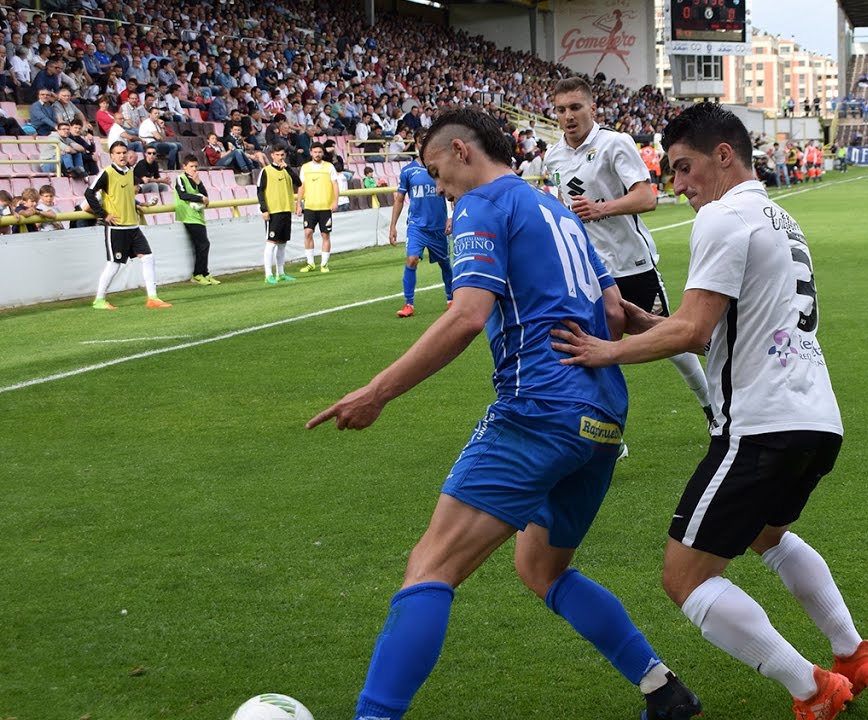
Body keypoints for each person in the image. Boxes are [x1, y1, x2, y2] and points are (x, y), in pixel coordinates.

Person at [306, 108, 702, 720]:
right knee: (540, 567)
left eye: (437, 174)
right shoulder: (558, 211)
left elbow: (466, 314)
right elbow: (618, 314)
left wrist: (377, 392)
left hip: (538, 408)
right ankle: (662, 691)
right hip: (602, 419)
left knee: (430, 565)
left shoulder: (482, 205)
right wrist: (682, 332)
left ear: (462, 152)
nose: (437, 190)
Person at [550, 103, 868, 720]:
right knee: (768, 537)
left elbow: (694, 333)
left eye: (682, 168)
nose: (677, 186)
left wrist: (608, 350)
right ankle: (852, 654)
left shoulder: (723, 217)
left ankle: (812, 689)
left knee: (684, 579)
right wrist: (646, 322)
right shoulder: (779, 216)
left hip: (759, 425)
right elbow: (712, 328)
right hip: (815, 418)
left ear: (723, 155)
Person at [544, 77, 714, 433]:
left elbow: (646, 198)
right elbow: (564, 208)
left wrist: (601, 208)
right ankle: (604, 432)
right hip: (589, 270)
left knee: (674, 342)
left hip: (631, 263)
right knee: (592, 350)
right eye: (561, 110)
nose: (568, 116)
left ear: (592, 108)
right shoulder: (553, 155)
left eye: (575, 107)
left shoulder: (614, 144)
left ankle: (713, 407)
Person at [84, 141, 172, 310]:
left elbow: (125, 196)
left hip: (133, 225)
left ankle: (152, 298)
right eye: (118, 153)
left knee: (148, 257)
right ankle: (99, 299)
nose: (122, 156)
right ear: (111, 156)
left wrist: (139, 205)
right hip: (117, 228)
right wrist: (104, 214)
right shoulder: (107, 173)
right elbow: (89, 193)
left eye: (124, 152)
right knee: (114, 264)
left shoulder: (129, 172)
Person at [388, 130, 453, 318]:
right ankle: (409, 304)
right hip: (417, 226)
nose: (423, 145)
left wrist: (451, 217)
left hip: (439, 227)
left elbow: (453, 193)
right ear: (416, 144)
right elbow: (399, 199)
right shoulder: (408, 171)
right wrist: (393, 226)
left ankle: (451, 299)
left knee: (444, 263)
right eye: (420, 142)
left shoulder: (442, 168)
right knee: (412, 259)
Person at [257, 145, 301, 284]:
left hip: (286, 209)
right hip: (273, 211)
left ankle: (280, 273)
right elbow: (260, 191)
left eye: (282, 155)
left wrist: (287, 168)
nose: (280, 157)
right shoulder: (266, 171)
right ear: (272, 156)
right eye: (278, 155)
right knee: (271, 243)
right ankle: (268, 274)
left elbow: (299, 183)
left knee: (282, 244)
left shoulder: (287, 170)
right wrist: (264, 209)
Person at [174, 154, 219, 285]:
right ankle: (198, 274)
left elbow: (205, 195)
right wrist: (200, 199)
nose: (194, 169)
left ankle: (204, 273)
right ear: (184, 167)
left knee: (203, 245)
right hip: (188, 216)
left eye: (195, 166)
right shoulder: (180, 178)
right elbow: (183, 195)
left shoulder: (196, 179)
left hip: (197, 216)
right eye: (191, 166)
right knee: (203, 244)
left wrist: (199, 183)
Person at [296, 144, 339, 273]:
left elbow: (335, 185)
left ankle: (324, 264)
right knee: (307, 233)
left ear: (322, 153)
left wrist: (335, 201)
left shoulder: (329, 167)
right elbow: (301, 186)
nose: (317, 154)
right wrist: (298, 203)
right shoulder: (305, 168)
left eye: (319, 152)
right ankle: (310, 263)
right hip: (310, 206)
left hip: (325, 206)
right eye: (315, 152)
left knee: (325, 234)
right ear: (311, 153)